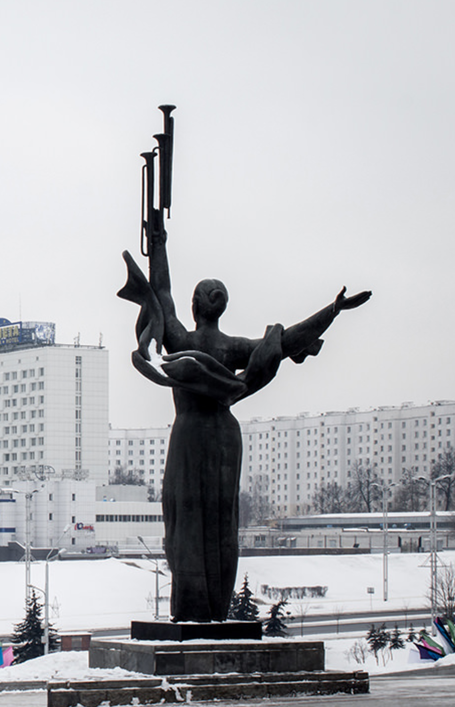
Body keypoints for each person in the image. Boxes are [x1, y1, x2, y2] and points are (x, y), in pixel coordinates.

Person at [119, 206, 369, 622]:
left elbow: (160, 295)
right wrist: (332, 311)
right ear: (221, 307)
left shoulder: (180, 338)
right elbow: (284, 343)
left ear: (196, 305)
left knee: (184, 521)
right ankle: (214, 607)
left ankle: (192, 610)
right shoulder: (234, 347)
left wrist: (158, 243)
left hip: (191, 438)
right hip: (225, 437)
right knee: (221, 521)